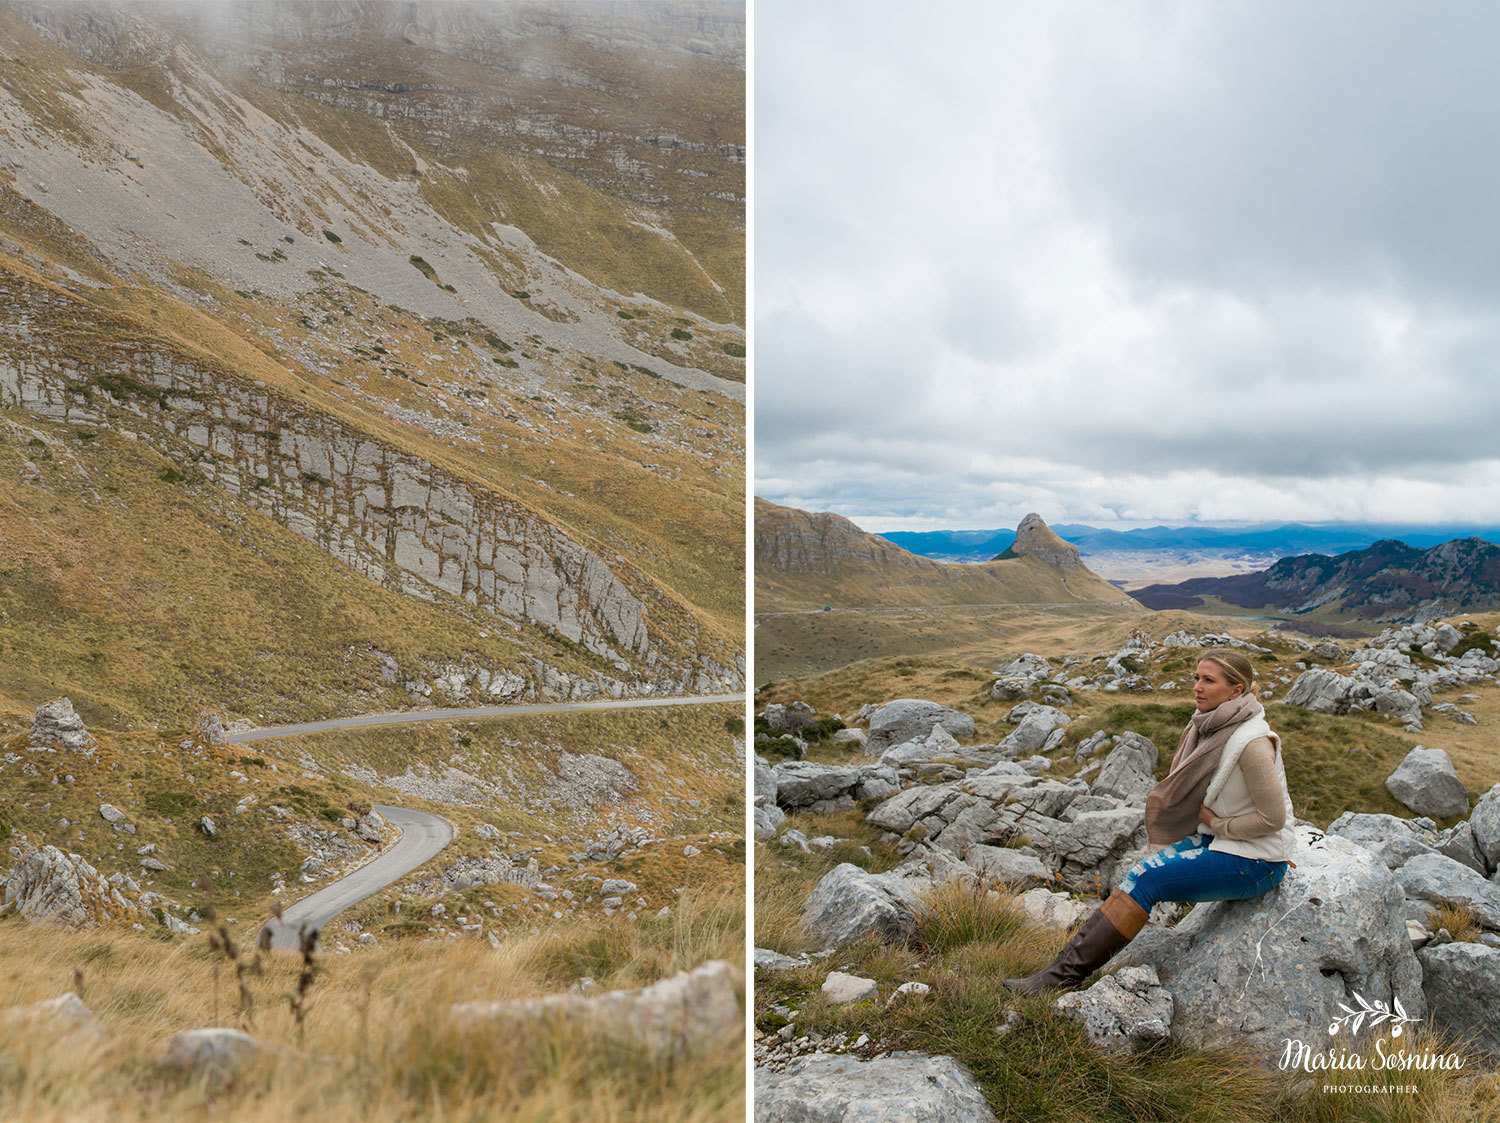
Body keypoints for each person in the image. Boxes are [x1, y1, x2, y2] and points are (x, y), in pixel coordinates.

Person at [1004, 647, 1294, 993]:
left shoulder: (1251, 742)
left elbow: (1273, 819)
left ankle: (1059, 978)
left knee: (1148, 879)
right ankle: (1058, 971)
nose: (1197, 688)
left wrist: (1217, 825)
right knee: (1141, 871)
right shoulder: (1210, 726)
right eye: (1196, 679)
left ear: (1237, 691)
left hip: (1258, 859)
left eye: (1208, 680)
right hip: (1228, 843)